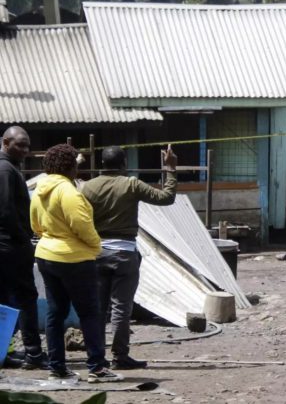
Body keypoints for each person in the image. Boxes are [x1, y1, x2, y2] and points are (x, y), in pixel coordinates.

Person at [31, 144, 123, 382]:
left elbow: (36, 226)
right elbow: (83, 226)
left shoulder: (40, 190)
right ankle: (97, 368)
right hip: (74, 259)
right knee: (90, 313)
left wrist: (52, 238)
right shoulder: (69, 192)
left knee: (55, 312)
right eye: (76, 165)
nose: (78, 170)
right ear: (69, 166)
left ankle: (57, 367)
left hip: (46, 255)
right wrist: (95, 247)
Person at [80, 144, 177, 370]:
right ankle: (120, 356)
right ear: (124, 163)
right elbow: (166, 197)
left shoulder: (87, 188)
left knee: (97, 309)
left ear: (102, 164)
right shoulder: (131, 185)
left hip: (96, 253)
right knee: (121, 309)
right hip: (124, 253)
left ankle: (95, 357)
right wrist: (170, 170)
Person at [0, 126, 47, 370]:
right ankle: (33, 353)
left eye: (27, 145)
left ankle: (4, 352)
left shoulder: (9, 168)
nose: (26, 150)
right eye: (20, 145)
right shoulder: (6, 170)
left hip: (7, 244)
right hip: (10, 245)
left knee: (6, 301)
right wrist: (23, 239)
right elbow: (6, 211)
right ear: (6, 143)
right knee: (26, 298)